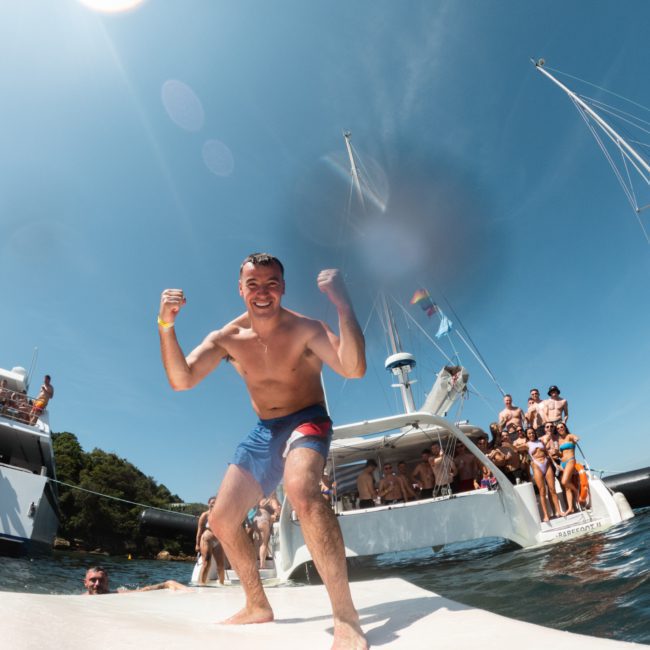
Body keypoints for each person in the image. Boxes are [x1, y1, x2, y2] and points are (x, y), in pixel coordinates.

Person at [158, 253, 367, 648]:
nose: (262, 292)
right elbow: (181, 379)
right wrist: (166, 325)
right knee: (222, 519)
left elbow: (353, 368)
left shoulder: (306, 328)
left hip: (307, 418)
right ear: (240, 290)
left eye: (271, 283)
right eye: (253, 284)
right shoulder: (227, 338)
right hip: (264, 431)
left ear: (283, 288)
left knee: (303, 491)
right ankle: (257, 605)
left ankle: (346, 615)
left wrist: (343, 304)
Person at [525, 428, 563, 521]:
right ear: (527, 435)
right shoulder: (527, 445)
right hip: (537, 465)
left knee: (552, 489)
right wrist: (509, 445)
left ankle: (559, 511)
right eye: (529, 433)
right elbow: (516, 448)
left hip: (547, 463)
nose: (531, 434)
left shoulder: (540, 441)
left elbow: (547, 453)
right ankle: (546, 515)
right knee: (542, 492)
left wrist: (555, 464)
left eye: (532, 433)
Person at [83, 566, 188, 595]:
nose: (97, 584)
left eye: (101, 580)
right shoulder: (80, 598)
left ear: (107, 583)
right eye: (93, 580)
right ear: (85, 583)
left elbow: (143, 590)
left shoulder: (117, 593)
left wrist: (166, 584)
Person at [196, 497, 226, 584]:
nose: (214, 504)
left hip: (218, 541)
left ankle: (222, 583)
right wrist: (197, 544)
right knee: (206, 563)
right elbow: (199, 530)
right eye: (212, 502)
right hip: (206, 540)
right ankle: (202, 583)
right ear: (208, 504)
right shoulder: (205, 515)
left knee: (221, 565)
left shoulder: (222, 515)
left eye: (216, 503)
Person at [556, 423, 580, 514]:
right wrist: (556, 453)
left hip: (570, 460)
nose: (560, 429)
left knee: (564, 482)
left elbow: (576, 437)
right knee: (566, 488)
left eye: (561, 427)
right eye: (558, 428)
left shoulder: (569, 436)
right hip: (563, 463)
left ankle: (576, 490)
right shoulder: (559, 440)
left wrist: (576, 439)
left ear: (565, 427)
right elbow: (561, 454)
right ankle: (570, 508)